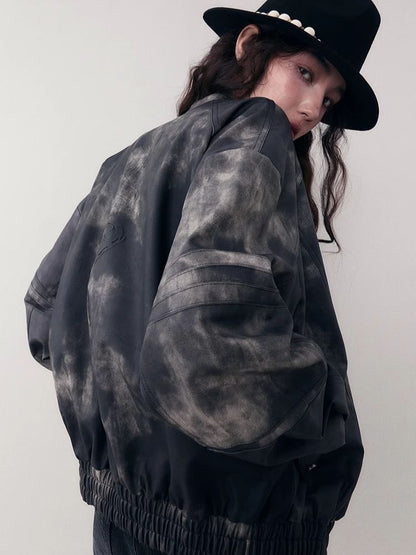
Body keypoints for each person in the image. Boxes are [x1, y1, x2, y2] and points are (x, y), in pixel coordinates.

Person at [24, 1, 381, 554]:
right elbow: (201, 344)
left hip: (121, 511)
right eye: (305, 73)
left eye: (330, 98)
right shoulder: (257, 135)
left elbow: (45, 313)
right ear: (247, 44)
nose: (314, 108)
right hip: (227, 527)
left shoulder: (134, 156)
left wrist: (123, 408)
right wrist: (324, 408)